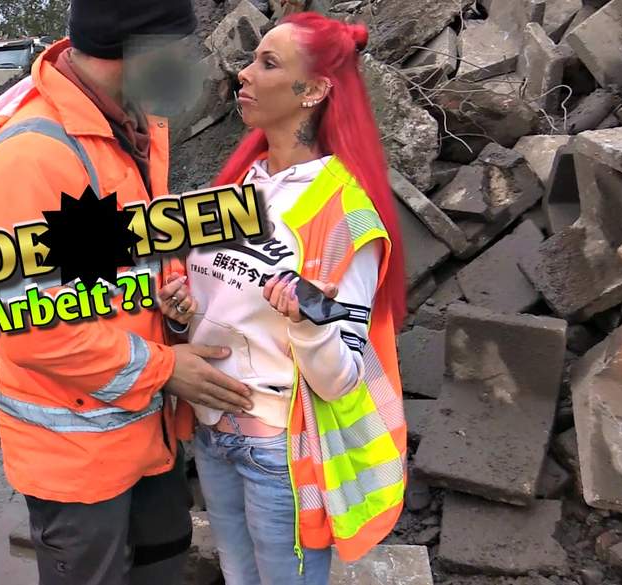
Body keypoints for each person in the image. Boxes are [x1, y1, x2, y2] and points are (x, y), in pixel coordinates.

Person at [0, 1, 255, 584]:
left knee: (163, 564)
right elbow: (32, 330)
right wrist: (166, 370)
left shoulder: (137, 123)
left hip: (148, 434)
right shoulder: (32, 157)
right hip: (77, 458)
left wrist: (170, 295)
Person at [159, 12, 408, 585]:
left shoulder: (345, 215)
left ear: (313, 90)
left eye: (267, 64)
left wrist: (309, 323)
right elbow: (216, 311)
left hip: (278, 452)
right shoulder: (236, 187)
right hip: (212, 434)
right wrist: (180, 314)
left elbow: (342, 380)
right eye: (251, 59)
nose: (242, 73)